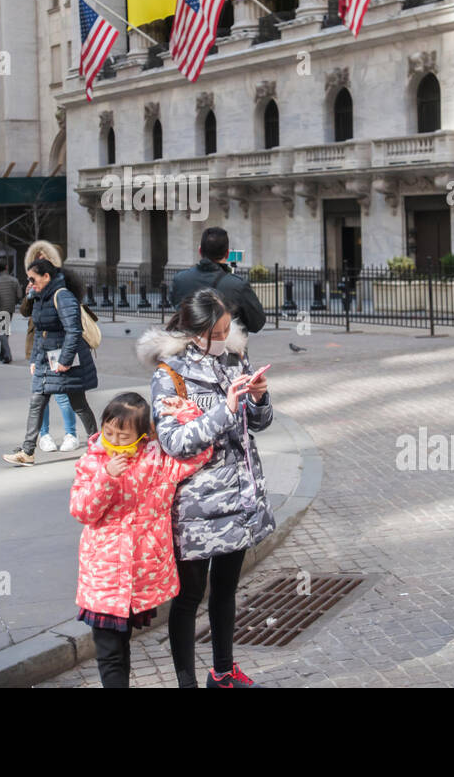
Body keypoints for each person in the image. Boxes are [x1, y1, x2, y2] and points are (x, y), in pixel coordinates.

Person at [138, 288, 274, 687]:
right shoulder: (171, 373)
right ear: (196, 331)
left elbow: (258, 424)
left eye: (228, 328)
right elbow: (175, 442)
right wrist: (226, 409)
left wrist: (259, 400)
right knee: (189, 595)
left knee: (227, 588)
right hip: (196, 505)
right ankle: (187, 682)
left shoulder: (235, 356)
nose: (225, 336)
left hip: (239, 493)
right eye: (218, 331)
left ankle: (224, 671)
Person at [70, 391, 232, 688]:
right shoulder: (93, 462)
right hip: (104, 575)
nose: (114, 442)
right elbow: (81, 511)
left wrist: (186, 413)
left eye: (123, 435)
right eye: (109, 433)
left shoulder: (159, 461)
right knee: (109, 652)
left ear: (143, 436)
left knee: (122, 645)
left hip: (140, 576)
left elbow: (200, 451)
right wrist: (106, 477)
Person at [2, 256, 98, 466]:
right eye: (28, 280)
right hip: (47, 359)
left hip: (65, 359)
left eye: (33, 279)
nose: (30, 284)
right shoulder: (40, 297)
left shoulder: (62, 296)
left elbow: (74, 330)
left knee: (78, 403)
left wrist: (64, 360)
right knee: (37, 401)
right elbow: (39, 332)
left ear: (47, 276)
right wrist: (35, 359)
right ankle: (27, 451)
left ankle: (96, 446)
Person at [169, 227, 267, 334]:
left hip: (190, 346)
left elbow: (177, 308)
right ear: (227, 254)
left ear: (200, 251)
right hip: (226, 348)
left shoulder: (180, 280)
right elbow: (257, 323)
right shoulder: (238, 285)